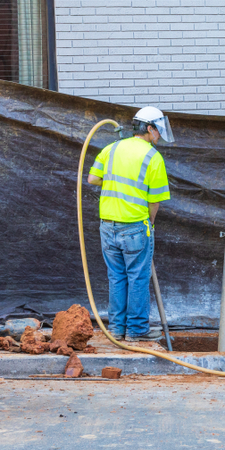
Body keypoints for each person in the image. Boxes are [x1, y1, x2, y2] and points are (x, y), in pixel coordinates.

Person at [87, 106, 173, 342]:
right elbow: (154, 201)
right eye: (157, 130)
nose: (158, 136)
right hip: (135, 226)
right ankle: (135, 331)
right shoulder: (152, 157)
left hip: (108, 226)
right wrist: (150, 224)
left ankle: (117, 329)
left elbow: (93, 178)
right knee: (137, 278)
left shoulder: (112, 148)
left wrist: (115, 182)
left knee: (117, 277)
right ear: (148, 128)